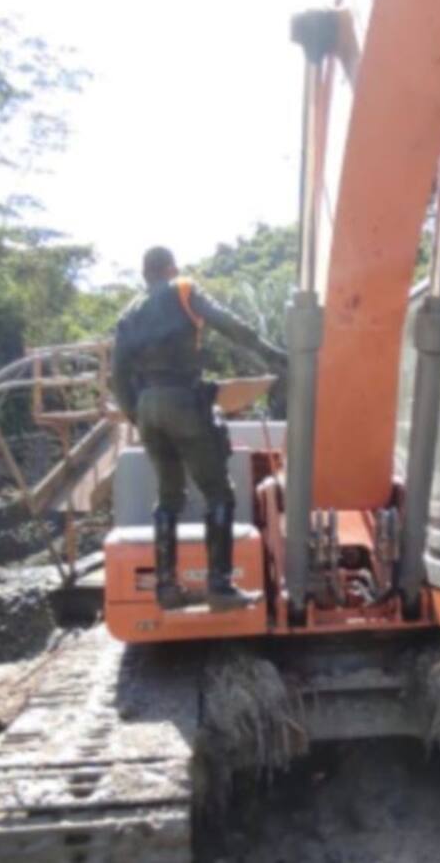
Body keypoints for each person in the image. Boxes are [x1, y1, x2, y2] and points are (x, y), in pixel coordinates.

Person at [112, 246, 287, 611]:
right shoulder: (184, 290)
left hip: (147, 408)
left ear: (145, 275)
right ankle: (220, 586)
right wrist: (271, 355)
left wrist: (138, 416)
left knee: (169, 497)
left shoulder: (128, 313)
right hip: (183, 401)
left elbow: (117, 377)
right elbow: (230, 325)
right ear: (171, 268)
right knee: (219, 493)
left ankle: (166, 587)